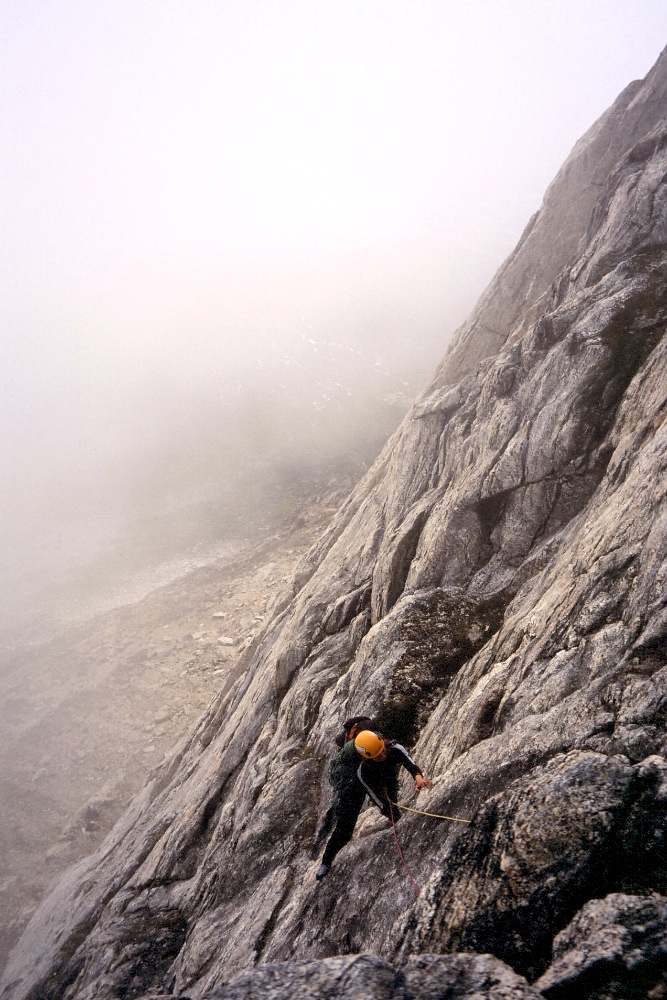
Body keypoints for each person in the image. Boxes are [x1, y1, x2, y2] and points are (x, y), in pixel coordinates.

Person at [315, 728, 431, 880]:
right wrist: (396, 816)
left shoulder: (393, 749)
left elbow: (409, 762)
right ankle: (326, 862)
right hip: (353, 786)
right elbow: (377, 799)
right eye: (378, 755)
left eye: (383, 751)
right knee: (344, 828)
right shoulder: (363, 771)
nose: (382, 756)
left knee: (392, 793)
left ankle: (394, 817)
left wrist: (418, 778)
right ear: (367, 757)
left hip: (383, 775)